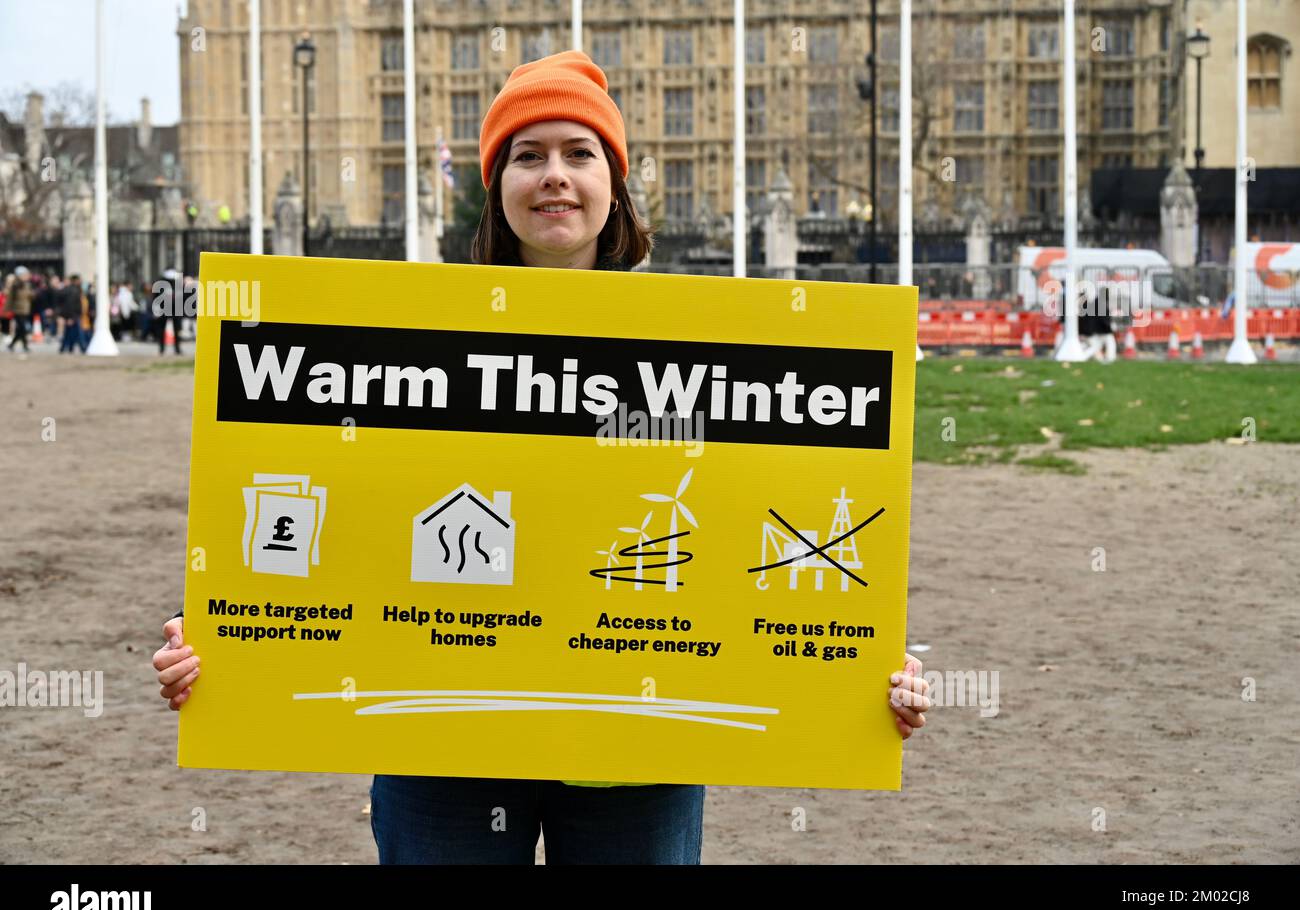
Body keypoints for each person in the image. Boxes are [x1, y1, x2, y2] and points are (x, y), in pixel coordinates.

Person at [153, 50, 931, 865]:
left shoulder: (706, 343)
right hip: (444, 746)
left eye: (578, 153)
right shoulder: (411, 332)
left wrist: (864, 663)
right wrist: (219, 636)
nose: (554, 176)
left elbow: (761, 510)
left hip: (635, 755)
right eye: (528, 156)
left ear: (614, 184)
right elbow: (345, 506)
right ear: (497, 187)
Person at [58, 274, 87, 353]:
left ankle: (65, 348)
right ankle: (82, 348)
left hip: (72, 315)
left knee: (69, 332)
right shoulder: (73, 290)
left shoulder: (72, 289)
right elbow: (71, 305)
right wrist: (71, 317)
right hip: (74, 315)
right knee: (78, 332)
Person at [7, 267, 33, 353]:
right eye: (25, 274)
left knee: (20, 329)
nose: (27, 276)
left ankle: (11, 345)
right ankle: (25, 346)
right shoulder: (15, 285)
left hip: (25, 309)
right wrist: (7, 309)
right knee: (22, 328)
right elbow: (10, 299)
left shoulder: (27, 285)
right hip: (17, 310)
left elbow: (30, 296)